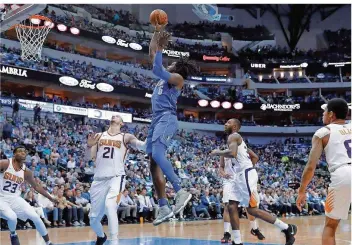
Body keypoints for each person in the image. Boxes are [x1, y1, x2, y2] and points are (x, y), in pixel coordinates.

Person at [210, 119, 297, 245]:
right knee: (231, 206)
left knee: (252, 210)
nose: (225, 124)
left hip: (245, 174)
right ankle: (237, 241)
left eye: (228, 122)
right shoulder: (234, 139)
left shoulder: (234, 136)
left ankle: (287, 228)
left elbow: (233, 153)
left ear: (234, 127)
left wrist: (217, 152)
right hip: (239, 176)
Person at [147, 23, 198, 226]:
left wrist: (160, 46)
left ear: (176, 67)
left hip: (166, 118)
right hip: (156, 120)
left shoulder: (177, 78)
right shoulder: (165, 78)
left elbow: (157, 67)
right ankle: (163, 206)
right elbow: (153, 56)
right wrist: (156, 33)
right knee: (153, 165)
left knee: (159, 155)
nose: (169, 64)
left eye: (172, 62)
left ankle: (180, 190)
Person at [296, 98, 351, 245]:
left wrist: (301, 191)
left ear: (331, 114)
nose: (323, 114)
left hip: (343, 174)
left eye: (324, 111)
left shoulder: (323, 132)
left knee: (330, 226)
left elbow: (310, 166)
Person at [85, 115, 147, 245]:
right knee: (93, 219)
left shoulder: (126, 136)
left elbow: (142, 146)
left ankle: (114, 242)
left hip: (116, 177)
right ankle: (101, 237)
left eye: (118, 116)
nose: (114, 116)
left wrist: (151, 138)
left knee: (110, 206)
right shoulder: (98, 136)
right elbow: (88, 158)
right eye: (113, 115)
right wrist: (88, 146)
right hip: (98, 180)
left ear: (122, 123)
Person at [0, 146, 56, 245]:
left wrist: (50, 198)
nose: (23, 153)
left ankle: (48, 242)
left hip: (15, 198)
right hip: (1, 198)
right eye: (20, 151)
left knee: (35, 216)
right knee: (12, 217)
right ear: (14, 154)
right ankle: (13, 234)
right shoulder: (5, 163)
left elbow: (36, 187)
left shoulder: (27, 172)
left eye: (24, 152)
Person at [219, 153, 265, 243]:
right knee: (228, 206)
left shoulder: (243, 151)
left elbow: (255, 158)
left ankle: (254, 228)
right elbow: (221, 167)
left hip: (243, 180)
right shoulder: (225, 153)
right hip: (229, 181)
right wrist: (223, 174)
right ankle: (227, 233)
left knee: (250, 207)